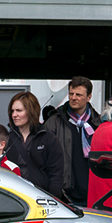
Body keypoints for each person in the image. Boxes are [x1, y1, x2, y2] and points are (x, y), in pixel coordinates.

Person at [45, 76, 101, 206]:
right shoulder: (54, 122)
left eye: (79, 95)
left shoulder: (97, 123)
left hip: (92, 192)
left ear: (89, 97)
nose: (73, 97)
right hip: (64, 193)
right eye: (71, 93)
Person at [6, 91, 64, 198]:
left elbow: (56, 175)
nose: (14, 115)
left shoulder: (48, 138)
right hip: (12, 198)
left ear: (31, 111)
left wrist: (52, 201)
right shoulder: (7, 138)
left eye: (19, 110)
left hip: (40, 198)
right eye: (12, 111)